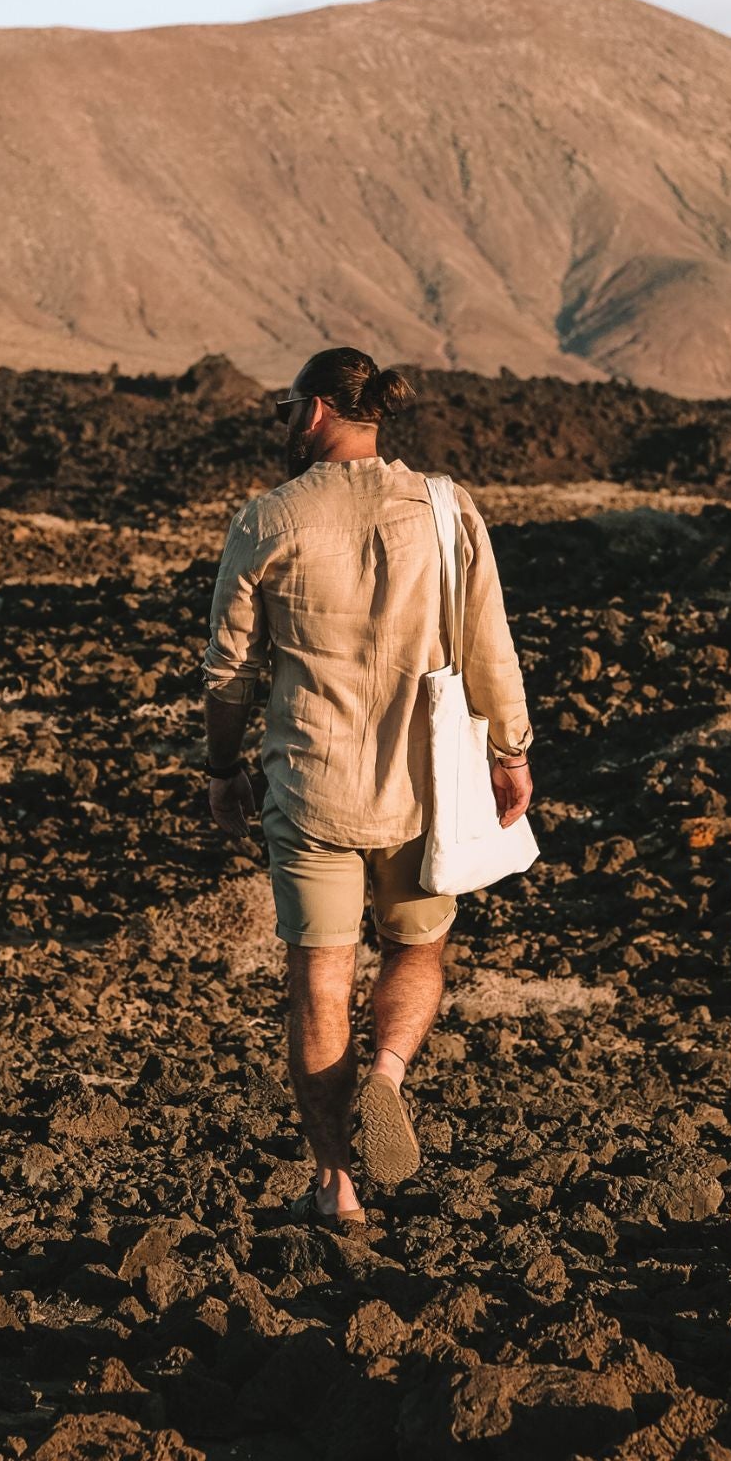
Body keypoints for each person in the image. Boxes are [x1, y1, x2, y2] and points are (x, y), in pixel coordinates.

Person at [201, 346, 534, 1227]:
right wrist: (512, 751)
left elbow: (229, 673)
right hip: (422, 789)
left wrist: (222, 770)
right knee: (416, 949)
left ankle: (334, 1182)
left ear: (314, 412)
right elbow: (489, 641)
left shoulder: (268, 519)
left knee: (318, 978)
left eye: (286, 410)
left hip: (311, 787)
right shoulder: (444, 508)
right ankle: (387, 1073)